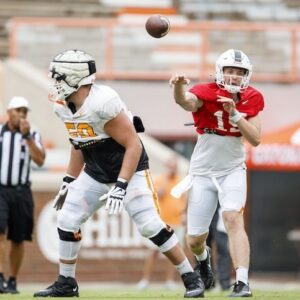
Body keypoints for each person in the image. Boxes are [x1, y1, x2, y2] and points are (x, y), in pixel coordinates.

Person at [33, 49, 204, 298]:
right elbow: (78, 142)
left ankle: (191, 277)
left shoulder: (102, 102)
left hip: (130, 169)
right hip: (95, 172)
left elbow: (133, 144)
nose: (55, 82)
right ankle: (66, 283)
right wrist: (69, 180)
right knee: (67, 219)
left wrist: (122, 184)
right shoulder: (62, 105)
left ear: (75, 78)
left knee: (149, 225)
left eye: (59, 77)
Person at [170, 49, 264, 297]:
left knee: (233, 219)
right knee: (194, 239)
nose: (234, 77)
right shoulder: (207, 91)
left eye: (239, 72)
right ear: (220, 72)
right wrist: (178, 88)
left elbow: (255, 139)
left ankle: (242, 282)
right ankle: (203, 261)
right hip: (202, 171)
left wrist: (235, 115)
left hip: (232, 168)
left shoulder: (252, 97)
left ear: (246, 75)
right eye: (230, 71)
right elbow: (185, 101)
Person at [0, 96, 45, 294]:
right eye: (18, 110)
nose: (22, 115)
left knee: (18, 238)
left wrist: (27, 138)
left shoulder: (32, 133)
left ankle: (12, 280)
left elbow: (40, 160)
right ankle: (0, 276)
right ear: (9, 112)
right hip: (0, 190)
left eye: (25, 111)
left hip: (21, 191)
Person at [137, 157, 187, 290]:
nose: (172, 169)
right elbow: (159, 194)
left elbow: (184, 200)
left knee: (174, 252)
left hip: (176, 221)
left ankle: (169, 281)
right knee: (153, 252)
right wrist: (166, 179)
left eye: (174, 166)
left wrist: (184, 214)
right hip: (161, 221)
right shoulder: (159, 179)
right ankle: (145, 280)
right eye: (170, 166)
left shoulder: (180, 181)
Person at [207, 206, 231, 291]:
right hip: (204, 212)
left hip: (220, 212)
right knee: (204, 250)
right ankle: (207, 283)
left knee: (223, 249)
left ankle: (225, 283)